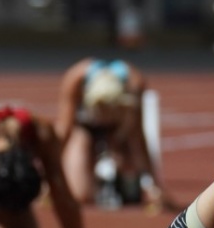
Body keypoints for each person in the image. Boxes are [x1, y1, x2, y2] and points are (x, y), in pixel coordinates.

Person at [52, 57, 175, 210]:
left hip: (119, 131)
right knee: (81, 193)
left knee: (131, 195)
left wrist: (154, 185)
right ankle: (94, 177)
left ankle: (120, 178)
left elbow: (138, 139)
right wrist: (50, 176)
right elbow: (63, 132)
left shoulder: (134, 83)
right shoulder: (75, 79)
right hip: (84, 130)